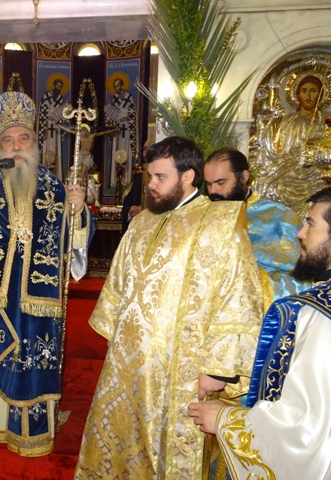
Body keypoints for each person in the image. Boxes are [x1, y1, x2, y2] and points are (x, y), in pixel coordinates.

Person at [74, 136, 263, 479]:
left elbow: (239, 298)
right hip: (129, 364)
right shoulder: (142, 221)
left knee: (169, 453)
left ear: (188, 177)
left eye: (161, 177)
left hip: (183, 369)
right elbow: (119, 286)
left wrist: (218, 370)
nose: (152, 184)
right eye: (151, 176)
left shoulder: (220, 224)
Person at [0, 91, 93, 457]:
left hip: (38, 298)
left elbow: (74, 251)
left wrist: (78, 212)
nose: (15, 146)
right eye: (8, 140)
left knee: (35, 358)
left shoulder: (55, 187)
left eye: (22, 138)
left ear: (34, 143)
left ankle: (33, 433)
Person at [188, 184, 331, 480]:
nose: (300, 233)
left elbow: (310, 433)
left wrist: (225, 420)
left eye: (311, 224)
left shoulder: (326, 313)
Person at [205, 147, 306, 302]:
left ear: (243, 177)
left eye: (221, 182)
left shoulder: (281, 217)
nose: (213, 191)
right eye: (208, 184)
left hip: (257, 302)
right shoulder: (202, 215)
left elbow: (299, 278)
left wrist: (245, 284)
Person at [254, 74, 329, 215]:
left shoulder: (328, 121)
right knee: (272, 187)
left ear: (321, 95)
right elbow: (273, 154)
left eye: (313, 91)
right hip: (289, 174)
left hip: (317, 175)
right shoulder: (284, 123)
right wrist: (296, 157)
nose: (308, 96)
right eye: (304, 91)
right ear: (297, 95)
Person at [104, 76, 138, 188]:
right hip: (118, 129)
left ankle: (127, 179)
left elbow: (133, 111)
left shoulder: (128, 96)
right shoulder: (115, 98)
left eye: (118, 86)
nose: (117, 88)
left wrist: (127, 118)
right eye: (115, 87)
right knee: (117, 150)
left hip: (127, 128)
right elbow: (112, 115)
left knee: (127, 149)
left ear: (122, 85)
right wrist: (116, 117)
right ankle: (115, 180)